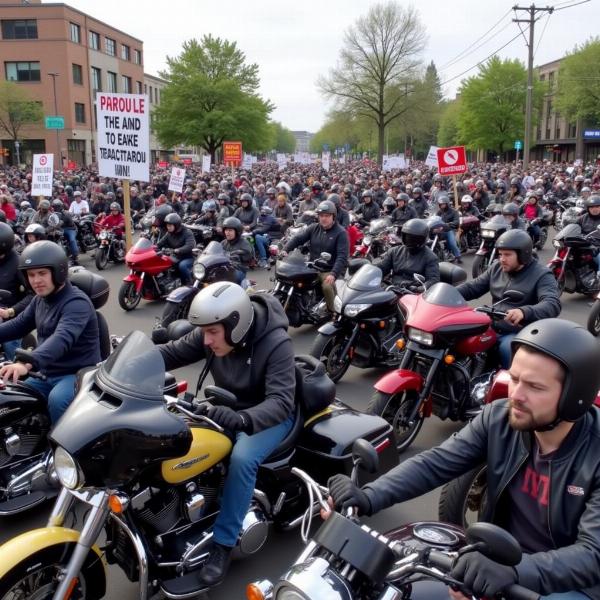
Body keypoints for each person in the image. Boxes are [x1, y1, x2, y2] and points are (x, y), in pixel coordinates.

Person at [326, 317, 600, 600]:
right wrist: (370, 495)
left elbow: (593, 554)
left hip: (567, 582)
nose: (516, 395)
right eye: (515, 379)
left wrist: (516, 572)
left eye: (535, 387)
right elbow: (436, 463)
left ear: (574, 396)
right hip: (498, 557)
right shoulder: (499, 417)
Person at [159, 282, 295, 585]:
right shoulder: (215, 329)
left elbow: (281, 402)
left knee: (243, 458)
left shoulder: (275, 342)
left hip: (266, 416)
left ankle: (223, 543)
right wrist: (126, 362)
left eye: (212, 333)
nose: (206, 341)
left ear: (236, 325)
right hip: (226, 405)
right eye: (204, 332)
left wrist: (243, 418)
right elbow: (172, 352)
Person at [0, 241, 100, 423]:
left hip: (76, 373)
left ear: (59, 272)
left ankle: (63, 450)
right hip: (46, 372)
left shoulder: (76, 303)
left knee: (57, 400)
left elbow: (61, 339)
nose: (36, 280)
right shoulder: (40, 300)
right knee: (12, 398)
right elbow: (17, 325)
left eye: (42, 273)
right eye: (31, 275)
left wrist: (27, 363)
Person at [456, 229, 561, 368]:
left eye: (507, 255)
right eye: (500, 254)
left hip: (518, 331)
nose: (502, 259)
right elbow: (473, 287)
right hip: (490, 324)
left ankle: (509, 385)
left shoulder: (542, 275)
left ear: (523, 255)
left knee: (507, 350)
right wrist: (445, 293)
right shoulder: (497, 268)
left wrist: (524, 312)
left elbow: (552, 303)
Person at [283, 200, 349, 312]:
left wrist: (333, 273)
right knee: (292, 278)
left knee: (327, 286)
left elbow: (342, 257)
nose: (323, 218)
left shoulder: (341, 233)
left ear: (333, 216)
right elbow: (298, 238)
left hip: (329, 269)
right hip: (313, 267)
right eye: (321, 216)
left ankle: (335, 314)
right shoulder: (314, 228)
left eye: (327, 216)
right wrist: (285, 249)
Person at [376, 219, 439, 289]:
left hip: (412, 292)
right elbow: (381, 269)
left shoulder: (430, 257)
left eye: (415, 238)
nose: (410, 240)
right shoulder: (394, 251)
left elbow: (433, 280)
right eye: (408, 237)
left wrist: (420, 288)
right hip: (392, 288)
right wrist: (370, 271)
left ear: (423, 239)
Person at [0, 222, 31, 360]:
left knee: (9, 345)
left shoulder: (19, 264)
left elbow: (33, 295)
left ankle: (14, 375)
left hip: (11, 316)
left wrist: (10, 311)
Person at [157, 213, 196, 285]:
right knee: (161, 261)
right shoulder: (169, 233)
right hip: (175, 256)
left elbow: (190, 245)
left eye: (170, 225)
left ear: (176, 225)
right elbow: (160, 243)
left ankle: (190, 283)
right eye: (167, 225)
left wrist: (177, 250)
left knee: (182, 266)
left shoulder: (187, 232)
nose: (168, 227)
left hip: (187, 257)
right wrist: (152, 247)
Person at [221, 216, 254, 284]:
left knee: (228, 277)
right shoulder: (223, 242)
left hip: (238, 269)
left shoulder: (244, 242)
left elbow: (248, 255)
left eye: (230, 230)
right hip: (223, 269)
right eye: (226, 230)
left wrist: (239, 254)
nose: (227, 233)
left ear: (237, 231)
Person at [52, 198, 80, 265]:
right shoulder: (53, 214)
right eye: (54, 206)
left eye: (57, 206)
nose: (55, 208)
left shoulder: (65, 214)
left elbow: (59, 223)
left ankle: (75, 256)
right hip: (59, 229)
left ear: (61, 206)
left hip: (70, 229)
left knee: (72, 240)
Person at [435, 195, 462, 264]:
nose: (442, 205)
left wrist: (448, 224)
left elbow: (456, 221)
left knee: (452, 243)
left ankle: (458, 256)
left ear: (447, 204)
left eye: (443, 204)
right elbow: (435, 219)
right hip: (440, 230)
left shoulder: (454, 211)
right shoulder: (439, 212)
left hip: (449, 230)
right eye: (440, 204)